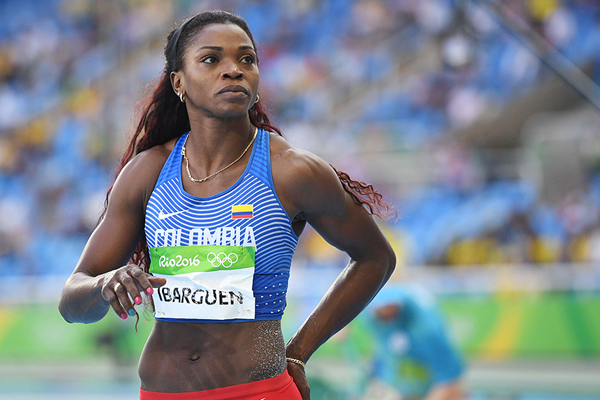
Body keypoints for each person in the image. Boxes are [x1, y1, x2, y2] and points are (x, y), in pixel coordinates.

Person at [58, 10, 395, 400]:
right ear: (178, 82)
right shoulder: (147, 172)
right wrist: (104, 285)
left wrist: (299, 353)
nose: (233, 70)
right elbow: (72, 301)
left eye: (247, 59)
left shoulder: (292, 172)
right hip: (162, 393)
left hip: (261, 392)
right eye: (211, 59)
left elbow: (376, 259)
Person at [365, 284, 465, 400]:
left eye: (386, 307)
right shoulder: (374, 317)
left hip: (434, 380)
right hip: (400, 381)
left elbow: (449, 377)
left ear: (396, 305)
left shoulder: (427, 329)